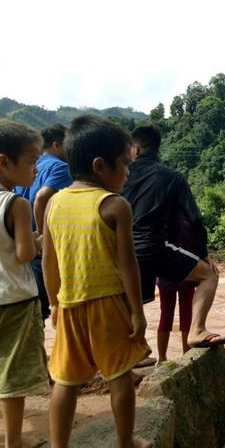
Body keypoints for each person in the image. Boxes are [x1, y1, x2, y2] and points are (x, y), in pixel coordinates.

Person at [43, 116, 151, 448]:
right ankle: (125, 443)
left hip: (71, 303)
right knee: (119, 377)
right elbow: (128, 265)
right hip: (108, 304)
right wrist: (137, 311)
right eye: (125, 164)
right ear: (100, 166)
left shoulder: (54, 203)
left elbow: (49, 260)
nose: (128, 172)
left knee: (65, 380)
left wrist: (54, 304)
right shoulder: (115, 205)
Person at [122, 125, 225, 348]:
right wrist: (203, 256)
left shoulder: (119, 175)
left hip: (121, 251)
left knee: (129, 302)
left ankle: (128, 354)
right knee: (209, 276)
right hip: (153, 248)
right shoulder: (172, 177)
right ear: (157, 148)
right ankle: (197, 331)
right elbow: (196, 219)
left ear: (135, 148)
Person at [0, 120, 49, 448]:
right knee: (13, 376)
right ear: (4, 162)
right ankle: (14, 441)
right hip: (15, 299)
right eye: (32, 162)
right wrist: (39, 241)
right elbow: (22, 254)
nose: (36, 170)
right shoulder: (17, 204)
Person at [16, 123, 72, 321]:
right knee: (46, 304)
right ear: (57, 145)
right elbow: (42, 197)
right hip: (42, 245)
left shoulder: (31, 166)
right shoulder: (60, 167)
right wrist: (42, 233)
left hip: (24, 240)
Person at [156, 215, 198, 363]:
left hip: (165, 273)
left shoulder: (162, 217)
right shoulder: (189, 218)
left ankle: (161, 358)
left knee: (166, 317)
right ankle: (187, 358)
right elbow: (196, 246)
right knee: (186, 316)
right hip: (187, 272)